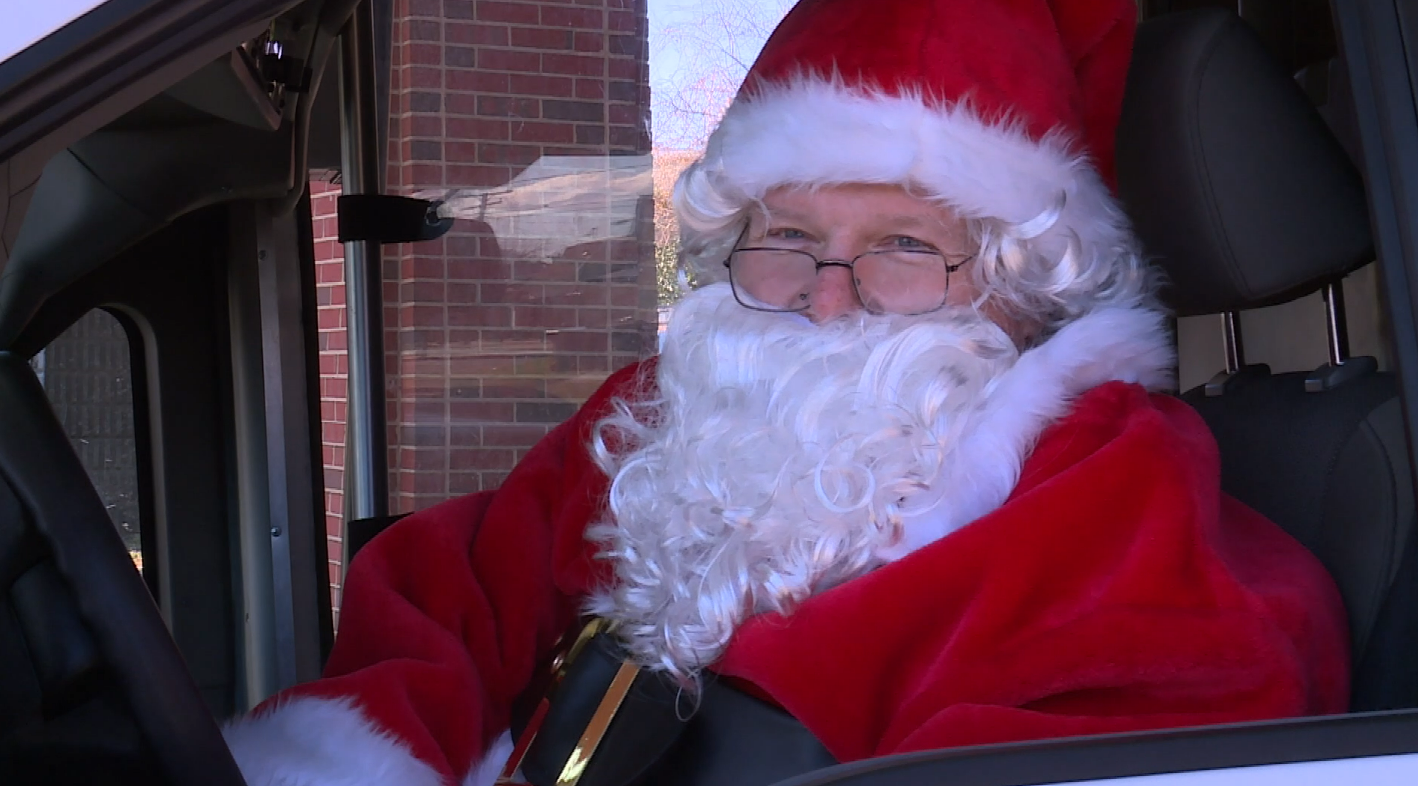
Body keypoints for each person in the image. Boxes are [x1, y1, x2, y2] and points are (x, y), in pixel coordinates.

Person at [222, 0, 1350, 783]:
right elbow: (451, 600)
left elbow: (1134, 719)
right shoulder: (665, 416)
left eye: (905, 244)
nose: (824, 302)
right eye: (788, 237)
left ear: (1016, 287)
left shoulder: (1106, 488)